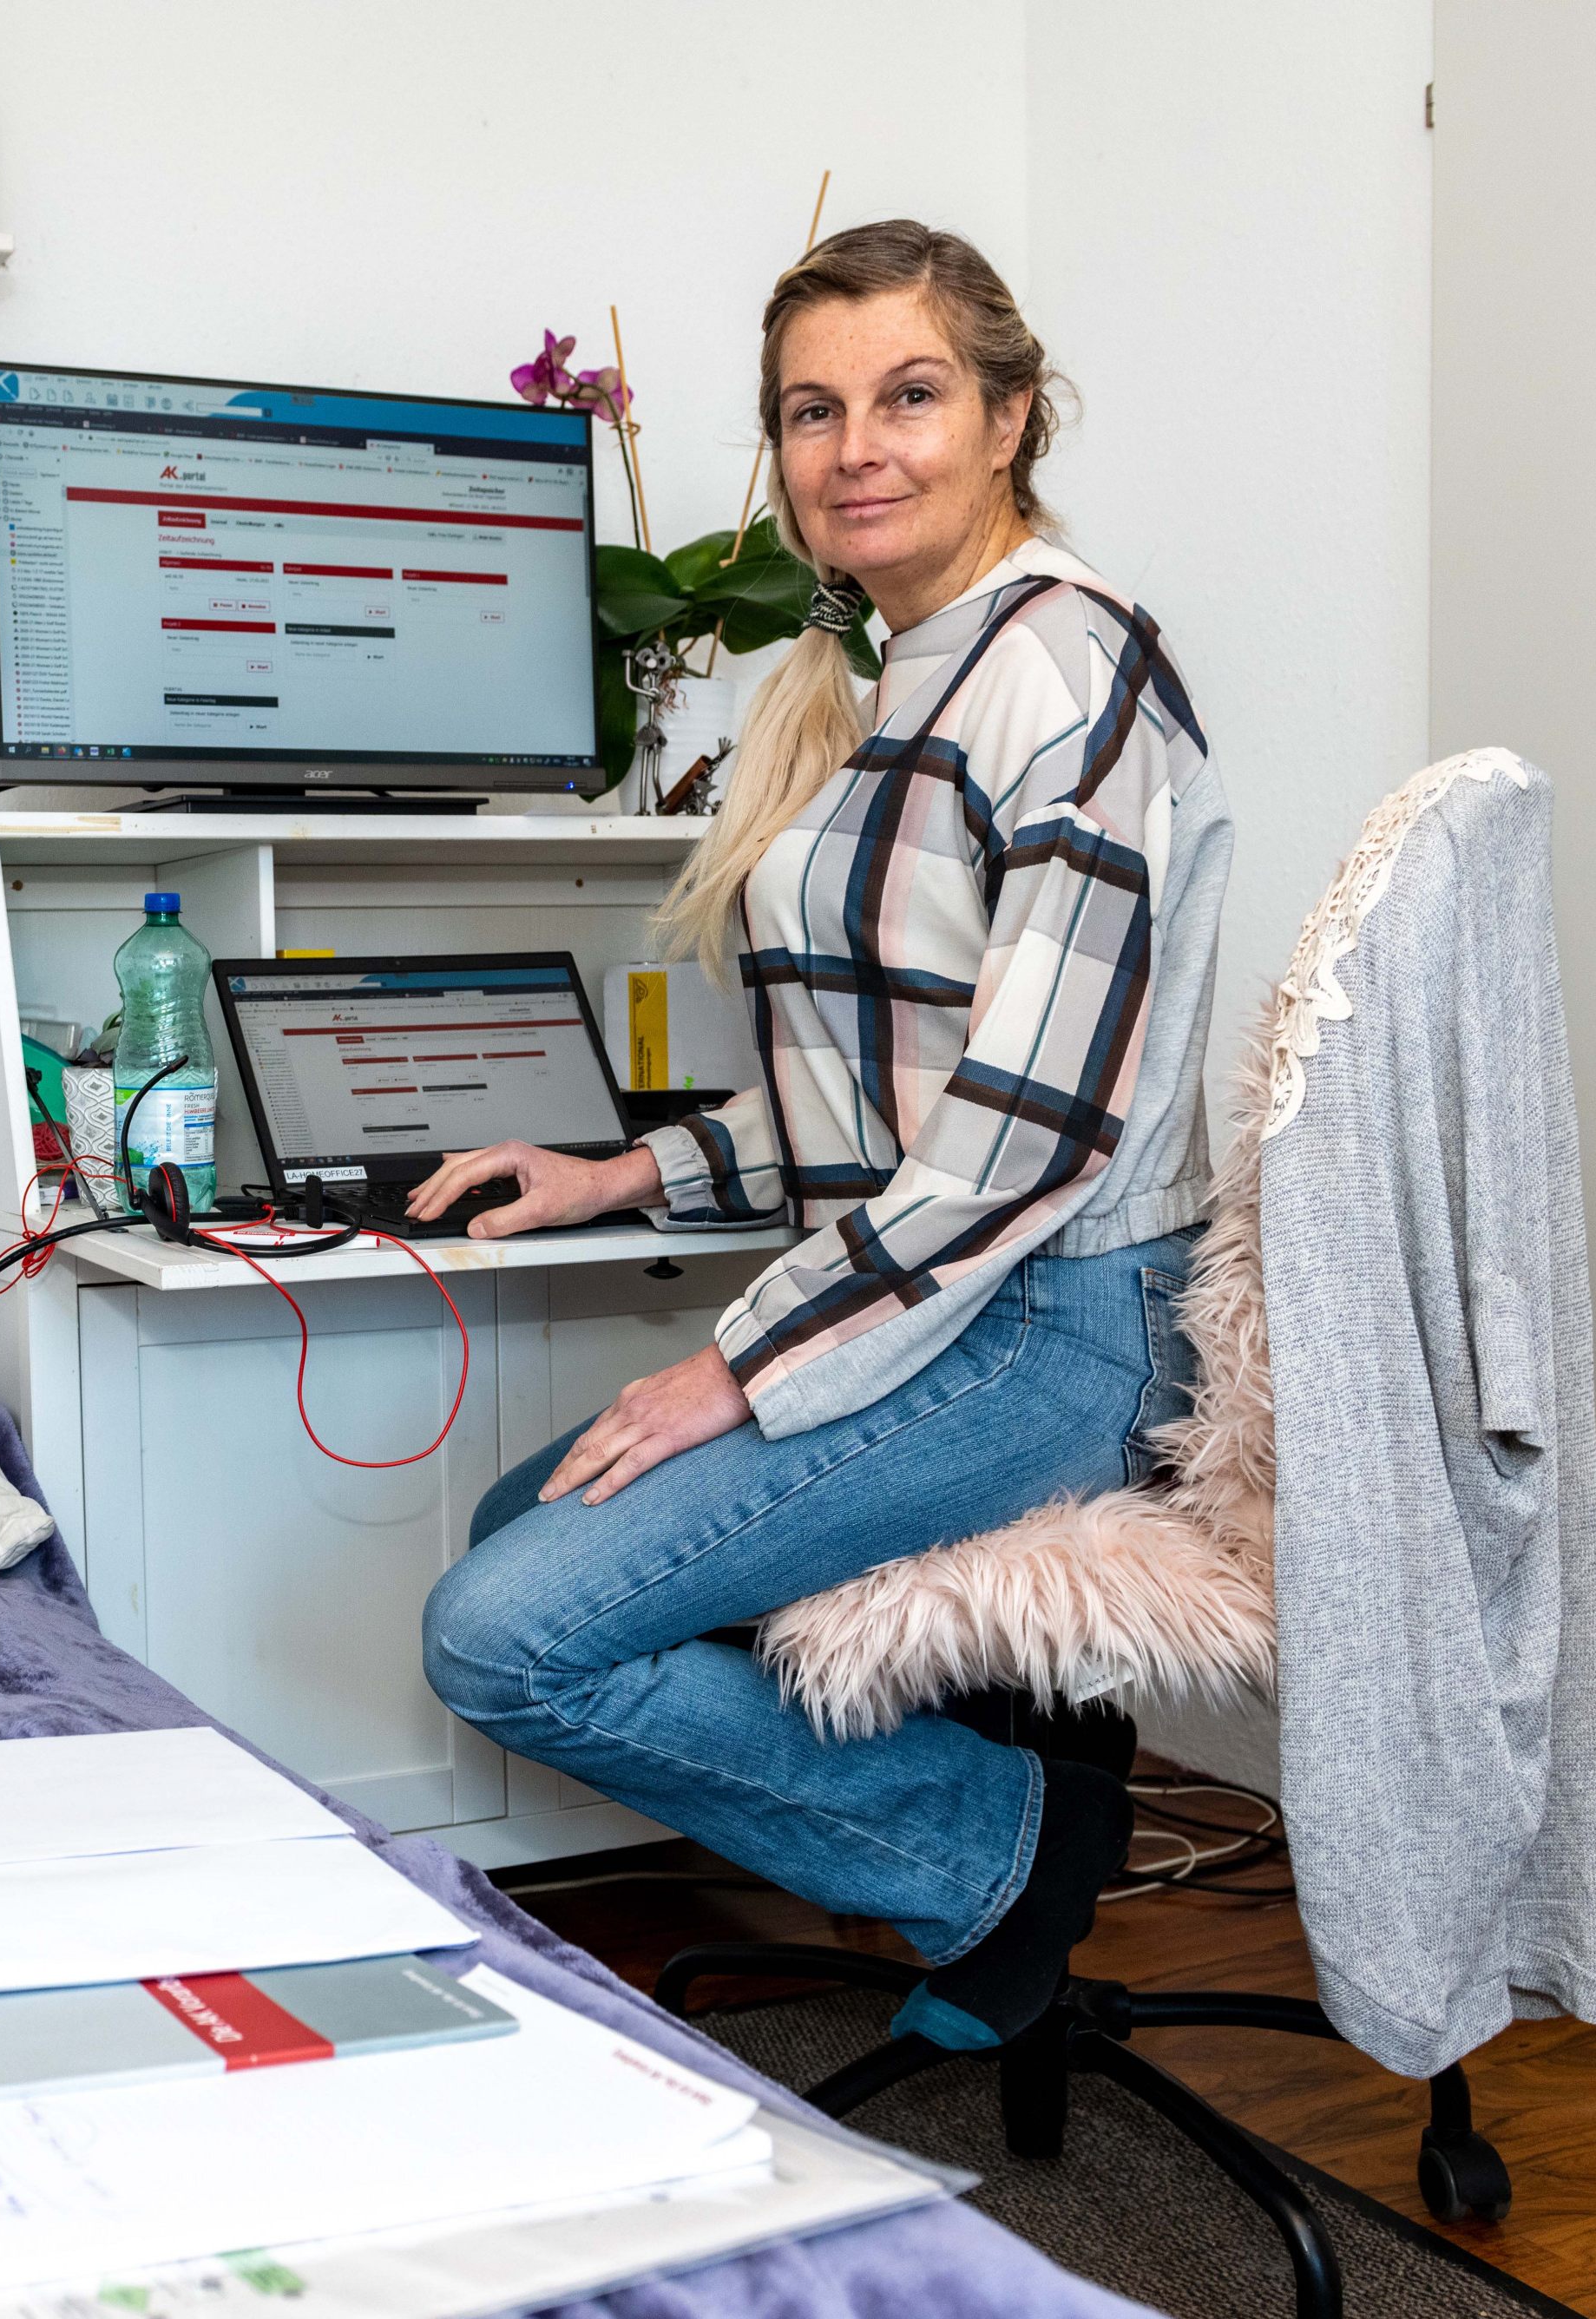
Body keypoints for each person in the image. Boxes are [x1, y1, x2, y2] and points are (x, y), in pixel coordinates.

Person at [415, 219, 1233, 2051]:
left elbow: (1018, 1140)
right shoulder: (911, 676)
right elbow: (876, 1088)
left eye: (911, 395)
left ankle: (995, 1850)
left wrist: (735, 1367)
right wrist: (627, 1172)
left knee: (505, 1630)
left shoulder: (1069, 678)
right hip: (946, 1299)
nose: (855, 445)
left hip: (1050, 1327)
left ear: (1012, 418)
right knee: (514, 1522)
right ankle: (987, 1817)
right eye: (812, 408)